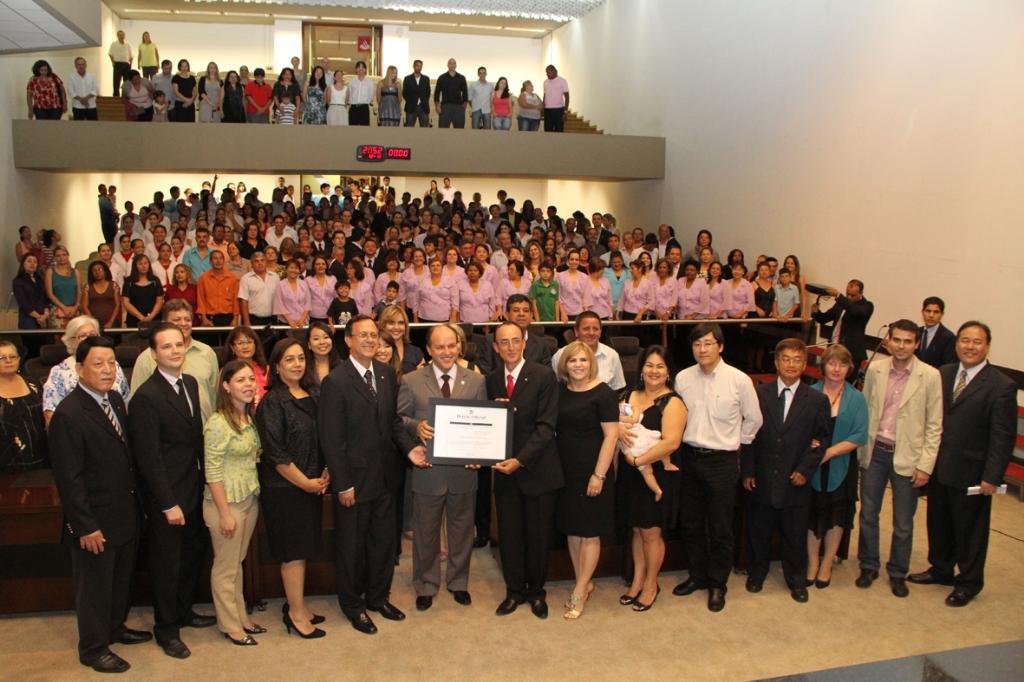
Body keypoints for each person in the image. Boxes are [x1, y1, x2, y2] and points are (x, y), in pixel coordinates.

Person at [49, 337, 149, 673]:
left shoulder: (117, 400)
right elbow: (69, 479)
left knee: (120, 581)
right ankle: (93, 647)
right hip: (94, 521)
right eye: (98, 363)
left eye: (112, 363)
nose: (108, 370)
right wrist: (85, 526)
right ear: (79, 369)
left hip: (124, 513)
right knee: (94, 588)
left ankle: (114, 627)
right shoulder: (69, 413)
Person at [319, 316, 424, 635]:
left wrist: (409, 450)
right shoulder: (336, 381)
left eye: (372, 335)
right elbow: (331, 439)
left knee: (383, 543)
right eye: (361, 335)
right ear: (347, 340)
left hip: (387, 478)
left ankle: (378, 597)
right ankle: (353, 606)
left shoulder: (386, 374)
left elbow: (392, 423)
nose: (369, 340)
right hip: (354, 482)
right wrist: (343, 483)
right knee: (352, 547)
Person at [909, 321, 1017, 606]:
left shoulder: (1001, 386)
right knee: (938, 521)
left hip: (973, 472)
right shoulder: (942, 374)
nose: (970, 346)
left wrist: (992, 477)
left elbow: (1002, 436)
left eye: (977, 341)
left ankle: (968, 581)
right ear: (957, 344)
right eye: (965, 340)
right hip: (939, 466)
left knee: (970, 530)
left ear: (987, 346)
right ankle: (941, 569)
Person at [129, 323, 213, 659]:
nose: (175, 351)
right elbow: (148, 459)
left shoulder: (190, 384)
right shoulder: (146, 397)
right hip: (168, 497)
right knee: (167, 565)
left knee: (192, 556)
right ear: (153, 353)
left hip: (194, 488)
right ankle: (166, 629)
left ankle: (183, 611)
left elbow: (194, 441)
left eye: (179, 345)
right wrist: (167, 503)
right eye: (166, 347)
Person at [672, 323, 763, 612]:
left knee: (721, 526)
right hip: (688, 457)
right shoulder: (684, 378)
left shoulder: (739, 380)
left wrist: (737, 441)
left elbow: (754, 419)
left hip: (722, 461)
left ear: (720, 346)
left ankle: (717, 584)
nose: (702, 349)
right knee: (692, 522)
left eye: (709, 343)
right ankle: (697, 576)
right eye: (697, 344)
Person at [397, 323, 487, 611]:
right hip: (428, 470)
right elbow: (398, 419)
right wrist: (416, 426)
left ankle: (458, 582)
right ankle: (426, 584)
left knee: (462, 530)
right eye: (440, 347)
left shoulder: (475, 380)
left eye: (452, 345)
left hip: (464, 471)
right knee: (425, 531)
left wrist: (480, 454)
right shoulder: (411, 380)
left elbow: (483, 423)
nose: (447, 352)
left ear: (459, 346)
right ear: (429, 350)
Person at [856, 319, 942, 598]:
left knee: (904, 522)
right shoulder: (877, 370)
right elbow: (865, 410)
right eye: (897, 340)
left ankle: (897, 572)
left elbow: (934, 425)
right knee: (868, 514)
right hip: (875, 451)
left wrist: (925, 465)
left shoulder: (930, 376)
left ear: (916, 344)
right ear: (889, 341)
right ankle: (868, 565)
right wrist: (860, 450)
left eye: (908, 341)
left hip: (908, 457)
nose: (902, 346)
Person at [741, 339, 831, 603]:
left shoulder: (817, 400)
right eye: (786, 359)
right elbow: (748, 435)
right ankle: (756, 573)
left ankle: (796, 579)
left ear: (804, 365)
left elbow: (821, 440)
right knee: (759, 530)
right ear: (776, 362)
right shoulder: (759, 394)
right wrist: (748, 471)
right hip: (762, 476)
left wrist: (805, 469)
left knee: (794, 534)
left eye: (796, 360)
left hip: (796, 480)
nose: (791, 364)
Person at [487, 321, 562, 619]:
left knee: (538, 536)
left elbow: (546, 428)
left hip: (538, 471)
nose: (509, 347)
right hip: (505, 473)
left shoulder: (544, 376)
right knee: (510, 535)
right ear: (495, 347)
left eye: (515, 341)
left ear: (525, 343)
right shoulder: (491, 380)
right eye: (503, 342)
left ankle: (536, 592)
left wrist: (520, 460)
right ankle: (514, 591)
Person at [256, 338, 330, 638]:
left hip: (311, 485)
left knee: (303, 549)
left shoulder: (311, 396)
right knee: (293, 553)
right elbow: (276, 454)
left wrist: (323, 474)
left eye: (301, 358)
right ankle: (296, 615)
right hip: (285, 489)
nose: (297, 364)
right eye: (289, 359)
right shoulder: (272, 402)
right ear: (276, 366)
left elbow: (322, 437)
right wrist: (306, 483)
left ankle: (298, 604)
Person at [616, 345, 686, 611]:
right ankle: (637, 580)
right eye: (649, 365)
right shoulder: (628, 394)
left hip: (655, 471)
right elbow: (617, 426)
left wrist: (637, 461)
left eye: (660, 366)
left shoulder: (672, 402)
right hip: (629, 472)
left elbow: (671, 443)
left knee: (652, 533)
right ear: (641, 368)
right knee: (636, 528)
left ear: (668, 372)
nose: (653, 371)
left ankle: (651, 584)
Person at [552, 341, 618, 619]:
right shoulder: (559, 392)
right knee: (572, 529)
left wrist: (599, 475)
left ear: (591, 363)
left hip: (594, 471)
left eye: (583, 360)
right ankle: (584, 581)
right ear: (564, 365)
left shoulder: (603, 393)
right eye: (572, 360)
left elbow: (611, 436)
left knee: (590, 531)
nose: (577, 365)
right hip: (565, 471)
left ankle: (579, 591)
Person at [202, 360, 264, 646]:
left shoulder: (247, 416)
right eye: (240, 380)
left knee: (237, 563)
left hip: (248, 497)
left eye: (251, 379)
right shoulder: (217, 422)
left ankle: (242, 617)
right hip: (225, 505)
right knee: (225, 568)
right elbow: (212, 471)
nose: (248, 385)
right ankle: (230, 626)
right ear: (226, 386)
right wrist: (225, 514)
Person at [807, 344, 868, 588]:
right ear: (823, 366)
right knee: (812, 514)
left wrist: (830, 452)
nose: (836, 369)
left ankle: (827, 563)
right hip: (812, 463)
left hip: (842, 462)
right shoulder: (810, 393)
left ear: (849, 368)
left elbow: (860, 434)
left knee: (836, 515)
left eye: (842, 364)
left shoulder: (857, 398)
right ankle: (812, 561)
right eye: (832, 363)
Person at [131, 300, 219, 422]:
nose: (183, 323)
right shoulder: (146, 358)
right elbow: (138, 404)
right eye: (177, 320)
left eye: (187, 319)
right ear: (164, 323)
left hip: (206, 432)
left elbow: (214, 396)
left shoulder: (207, 352)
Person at [42, 316, 130, 425]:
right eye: (82, 336)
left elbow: (125, 402)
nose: (89, 340)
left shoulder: (114, 365)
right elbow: (51, 417)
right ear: (70, 341)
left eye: (93, 335)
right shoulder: (59, 372)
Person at [0, 339, 48, 472]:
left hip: (39, 459)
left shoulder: (34, 385)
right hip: (5, 466)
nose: (8, 360)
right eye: (2, 357)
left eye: (12, 356)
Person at [551, 312, 626, 391]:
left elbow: (618, 389)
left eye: (595, 329)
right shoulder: (560, 355)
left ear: (600, 332)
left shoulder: (612, 355)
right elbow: (554, 389)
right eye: (586, 329)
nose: (591, 333)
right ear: (576, 331)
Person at [811, 280, 874, 372]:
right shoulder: (841, 303)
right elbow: (824, 319)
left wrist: (838, 295)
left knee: (847, 384)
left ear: (861, 293)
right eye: (847, 294)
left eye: (853, 295)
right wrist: (816, 313)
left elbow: (855, 311)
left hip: (851, 353)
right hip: (833, 349)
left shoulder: (867, 306)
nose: (849, 297)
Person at [13, 253, 49, 357]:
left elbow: (46, 299)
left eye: (35, 261)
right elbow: (23, 303)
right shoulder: (18, 281)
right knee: (31, 350)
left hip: (43, 319)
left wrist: (45, 315)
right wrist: (38, 317)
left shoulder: (40, 280)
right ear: (23, 264)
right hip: (28, 320)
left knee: (43, 349)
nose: (32, 264)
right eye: (29, 261)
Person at [223, 326, 269, 402]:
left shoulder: (266, 370)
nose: (245, 346)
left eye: (249, 342)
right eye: (240, 343)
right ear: (232, 347)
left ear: (255, 345)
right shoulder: (226, 371)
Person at [378, 304, 424, 375]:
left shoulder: (416, 352)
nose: (396, 327)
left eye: (401, 323)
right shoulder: (376, 351)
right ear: (383, 325)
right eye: (391, 323)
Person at [196, 250, 239, 327]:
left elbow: (235, 300)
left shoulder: (232, 278)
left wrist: (235, 318)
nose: (218, 261)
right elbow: (201, 299)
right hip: (210, 319)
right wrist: (203, 318)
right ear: (210, 261)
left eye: (220, 258)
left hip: (228, 318)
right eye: (215, 258)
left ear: (224, 261)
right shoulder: (203, 278)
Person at [122, 254, 164, 327]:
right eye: (140, 264)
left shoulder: (155, 280)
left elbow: (159, 301)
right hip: (134, 320)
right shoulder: (129, 281)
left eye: (146, 263)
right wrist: (140, 317)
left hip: (154, 319)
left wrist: (151, 316)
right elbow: (126, 302)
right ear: (135, 266)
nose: (143, 266)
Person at [45, 246, 82, 326]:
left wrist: (76, 307)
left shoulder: (75, 272)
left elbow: (79, 292)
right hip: (57, 310)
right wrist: (64, 307)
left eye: (64, 255)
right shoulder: (50, 272)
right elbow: (49, 294)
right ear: (54, 258)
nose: (61, 258)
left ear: (68, 256)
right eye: (58, 256)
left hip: (74, 309)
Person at [917, 296, 957, 368]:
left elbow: (948, 366)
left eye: (936, 312)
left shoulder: (949, 338)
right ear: (922, 312)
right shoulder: (916, 332)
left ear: (942, 315)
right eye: (928, 311)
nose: (931, 315)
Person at [273, 259, 311, 328]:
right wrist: (290, 320)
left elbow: (308, 303)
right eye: (291, 267)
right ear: (286, 269)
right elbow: (279, 304)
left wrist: (302, 319)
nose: (293, 270)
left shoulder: (304, 284)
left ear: (299, 270)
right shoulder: (280, 285)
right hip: (285, 323)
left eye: (296, 268)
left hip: (302, 322)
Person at [434, 58, 468, 129]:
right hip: (445, 107)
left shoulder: (461, 78)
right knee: (443, 130)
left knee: (459, 131)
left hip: (458, 107)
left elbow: (465, 93)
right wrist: (437, 105)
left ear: (456, 65)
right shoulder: (442, 77)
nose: (452, 65)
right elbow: (437, 93)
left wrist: (463, 106)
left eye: (453, 63)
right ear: (447, 65)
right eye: (450, 63)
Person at [402, 59, 431, 127]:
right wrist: (412, 101)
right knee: (409, 129)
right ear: (413, 66)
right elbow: (405, 93)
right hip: (411, 107)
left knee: (425, 130)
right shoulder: (407, 79)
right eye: (417, 66)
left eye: (421, 66)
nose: (419, 67)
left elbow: (428, 92)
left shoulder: (426, 79)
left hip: (423, 107)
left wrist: (423, 100)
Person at [542, 65, 569, 133]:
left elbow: (567, 96)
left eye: (548, 72)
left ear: (555, 71)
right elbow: (545, 95)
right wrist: (543, 107)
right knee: (547, 130)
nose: (547, 74)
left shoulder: (563, 81)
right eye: (546, 73)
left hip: (559, 109)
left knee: (559, 130)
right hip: (547, 110)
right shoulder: (545, 82)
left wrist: (565, 111)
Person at [346, 61, 373, 126]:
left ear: (365, 70)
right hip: (353, 108)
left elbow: (371, 95)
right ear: (356, 69)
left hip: (364, 108)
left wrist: (364, 102)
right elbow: (349, 94)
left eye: (362, 67)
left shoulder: (370, 82)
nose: (360, 69)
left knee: (364, 132)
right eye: (358, 67)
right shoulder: (351, 81)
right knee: (352, 130)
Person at [108, 30, 133, 96]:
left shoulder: (127, 45)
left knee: (127, 82)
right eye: (120, 35)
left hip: (126, 64)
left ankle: (126, 96)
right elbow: (110, 54)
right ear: (117, 36)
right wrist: (113, 62)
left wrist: (130, 64)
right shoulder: (114, 44)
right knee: (116, 81)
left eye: (123, 35)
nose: (122, 36)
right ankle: (116, 97)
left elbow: (131, 56)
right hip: (118, 64)